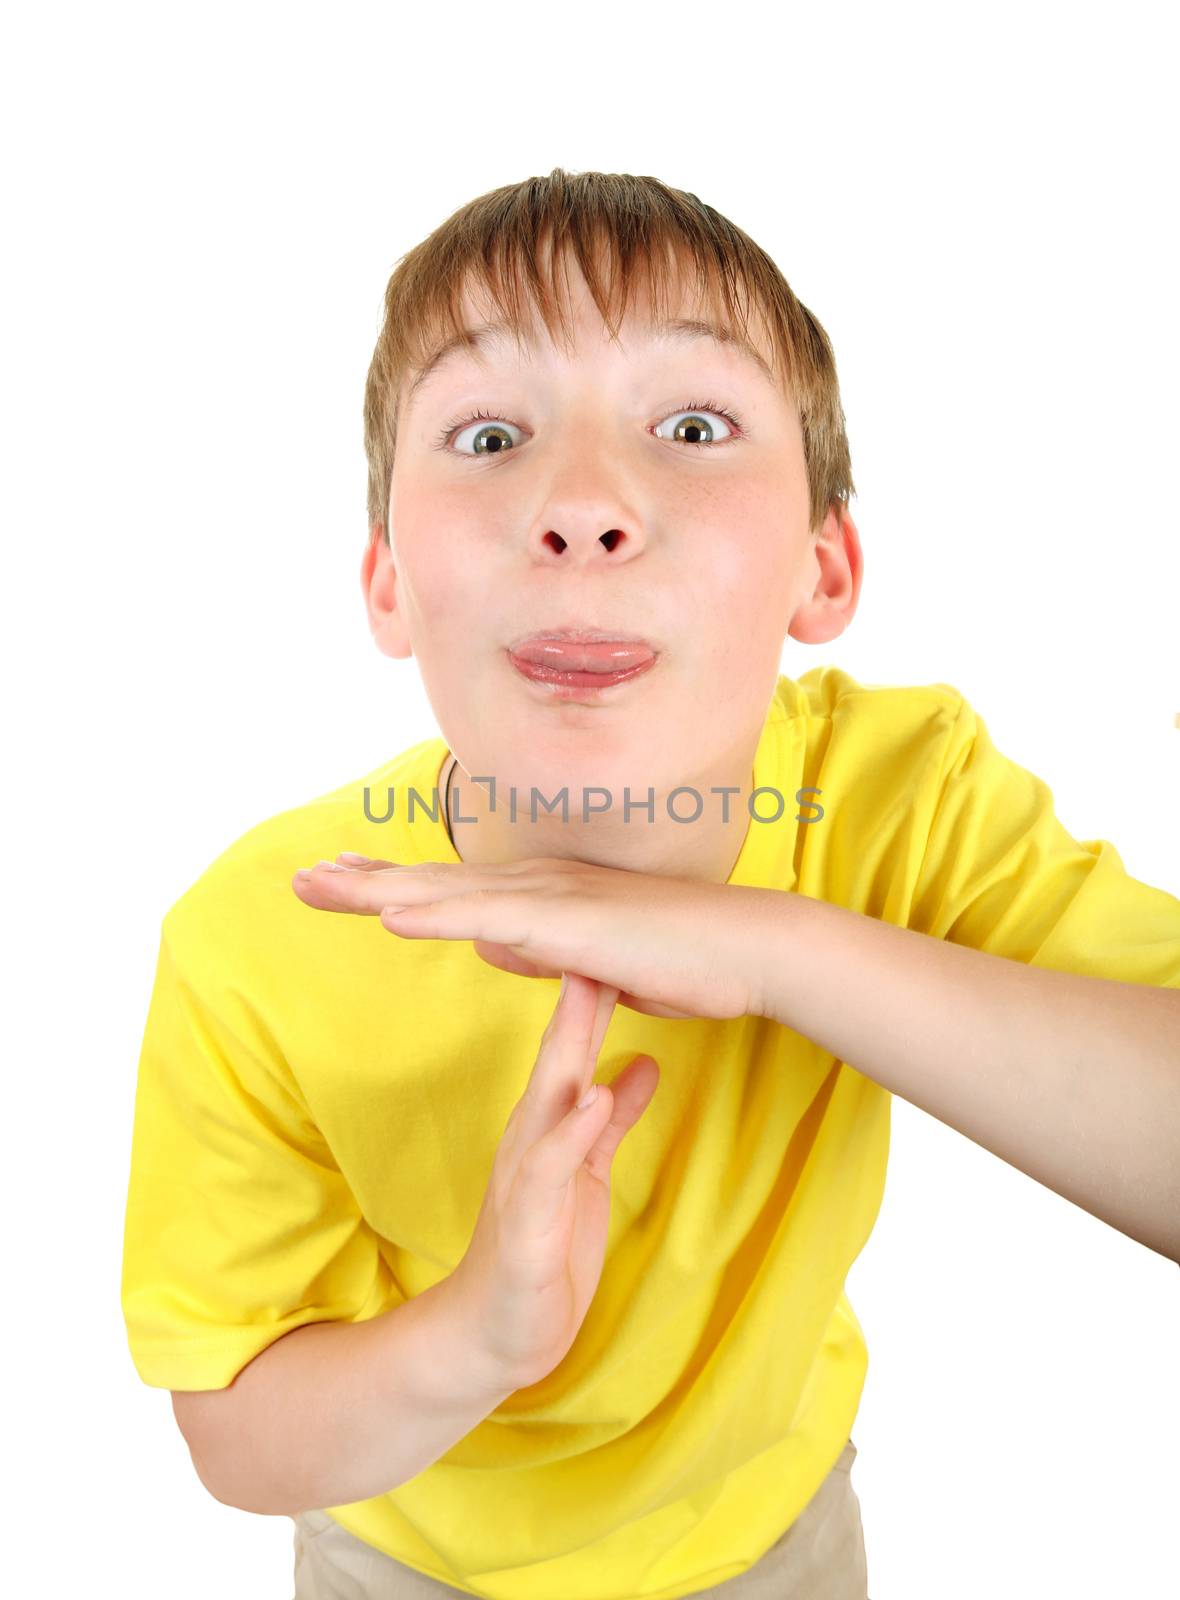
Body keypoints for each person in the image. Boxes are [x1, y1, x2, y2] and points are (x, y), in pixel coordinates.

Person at [121, 168, 1180, 1600]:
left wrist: (775, 951)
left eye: (692, 425)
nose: (583, 506)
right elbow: (236, 1438)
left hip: (772, 1531)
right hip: (406, 1558)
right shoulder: (261, 936)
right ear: (388, 583)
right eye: (488, 434)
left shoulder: (904, 800)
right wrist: (477, 1340)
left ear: (825, 564)